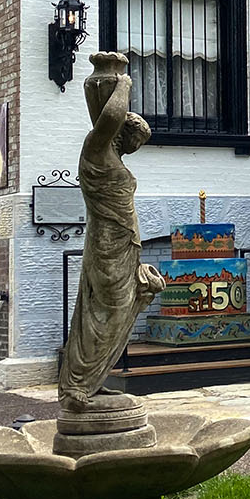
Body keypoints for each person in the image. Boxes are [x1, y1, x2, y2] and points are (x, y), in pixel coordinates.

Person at [58, 52, 166, 411]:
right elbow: (110, 117)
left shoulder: (111, 156)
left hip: (123, 247)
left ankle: (92, 381)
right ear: (124, 134)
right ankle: (77, 387)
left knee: (113, 313)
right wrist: (124, 84)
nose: (136, 148)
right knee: (107, 313)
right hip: (107, 248)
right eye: (136, 141)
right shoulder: (97, 147)